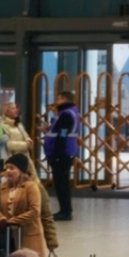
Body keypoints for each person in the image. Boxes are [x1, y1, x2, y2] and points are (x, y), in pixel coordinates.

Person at [0, 154, 50, 257]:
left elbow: (35, 211)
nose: (8, 171)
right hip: (9, 238)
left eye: (12, 168)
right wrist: (1, 218)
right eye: (7, 168)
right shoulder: (2, 188)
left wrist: (11, 222)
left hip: (28, 236)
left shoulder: (31, 187)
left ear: (21, 170)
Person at [43, 91, 79, 221]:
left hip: (62, 153)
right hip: (66, 152)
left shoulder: (66, 114)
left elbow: (63, 134)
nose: (56, 101)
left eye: (59, 98)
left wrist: (58, 153)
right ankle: (65, 210)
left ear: (65, 99)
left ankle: (65, 211)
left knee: (61, 184)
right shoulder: (69, 112)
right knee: (62, 183)